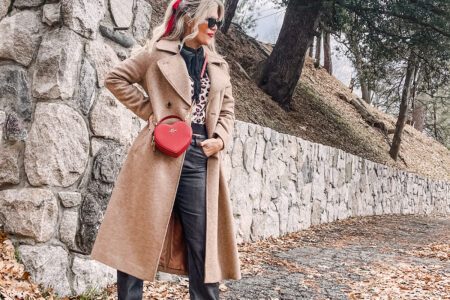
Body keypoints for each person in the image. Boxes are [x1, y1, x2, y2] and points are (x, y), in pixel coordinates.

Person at [90, 0, 241, 299]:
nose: (215, 28)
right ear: (189, 19)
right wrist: (152, 111)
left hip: (200, 156)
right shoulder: (157, 53)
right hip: (160, 152)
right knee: (139, 234)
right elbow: (115, 78)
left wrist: (220, 139)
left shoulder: (218, 65)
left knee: (203, 243)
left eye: (218, 24)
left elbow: (228, 109)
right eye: (210, 21)